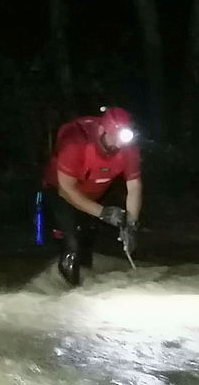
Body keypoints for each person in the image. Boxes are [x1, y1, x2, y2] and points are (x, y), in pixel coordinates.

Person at [42, 107, 142, 285]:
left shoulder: (128, 147)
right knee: (71, 246)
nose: (117, 146)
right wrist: (104, 213)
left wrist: (131, 224)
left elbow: (134, 186)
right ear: (103, 131)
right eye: (114, 140)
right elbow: (66, 189)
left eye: (122, 142)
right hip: (60, 192)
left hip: (96, 192)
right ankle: (68, 292)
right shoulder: (75, 142)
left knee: (87, 241)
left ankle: (86, 285)